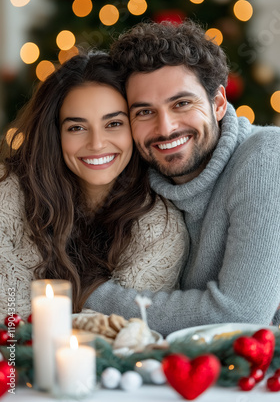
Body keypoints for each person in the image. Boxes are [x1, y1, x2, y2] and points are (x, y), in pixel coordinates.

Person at [85, 20, 280, 337]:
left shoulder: (266, 156)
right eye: (145, 112)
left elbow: (242, 316)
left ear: (217, 104)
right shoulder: (140, 179)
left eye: (182, 103)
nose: (165, 128)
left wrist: (89, 296)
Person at [0, 50, 188, 323]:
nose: (97, 143)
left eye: (114, 124)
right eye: (77, 128)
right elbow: (10, 325)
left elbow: (119, 333)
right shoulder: (8, 193)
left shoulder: (159, 226)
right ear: (55, 134)